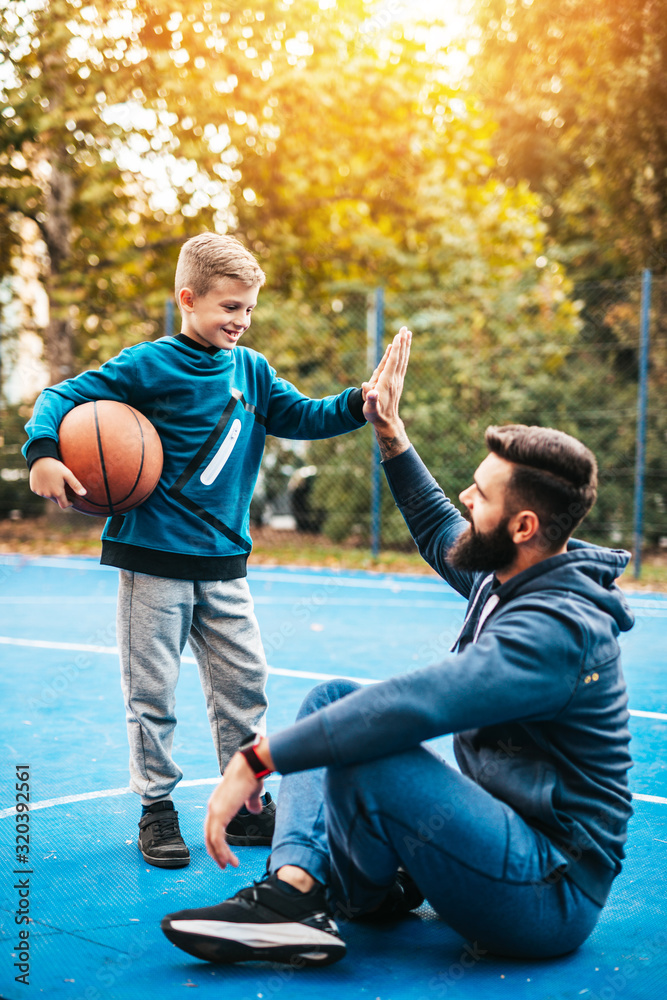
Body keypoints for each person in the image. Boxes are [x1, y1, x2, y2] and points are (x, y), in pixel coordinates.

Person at [160, 327, 634, 967]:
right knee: (333, 699)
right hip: (498, 850)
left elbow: (422, 703)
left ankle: (293, 901)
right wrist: (389, 430)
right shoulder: (511, 574)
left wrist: (258, 758)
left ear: (523, 526)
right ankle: (300, 891)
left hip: (548, 895)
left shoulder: (559, 628)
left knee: (371, 745)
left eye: (482, 494)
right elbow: (442, 528)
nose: (467, 497)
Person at [23, 232, 392, 870]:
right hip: (152, 561)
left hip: (225, 565)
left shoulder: (252, 371)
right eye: (229, 308)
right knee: (153, 692)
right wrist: (44, 453)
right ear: (187, 299)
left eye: (248, 309)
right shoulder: (148, 365)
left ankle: (246, 803)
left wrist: (361, 402)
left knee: (244, 685)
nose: (240, 321)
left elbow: (304, 416)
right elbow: (61, 396)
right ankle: (157, 809)